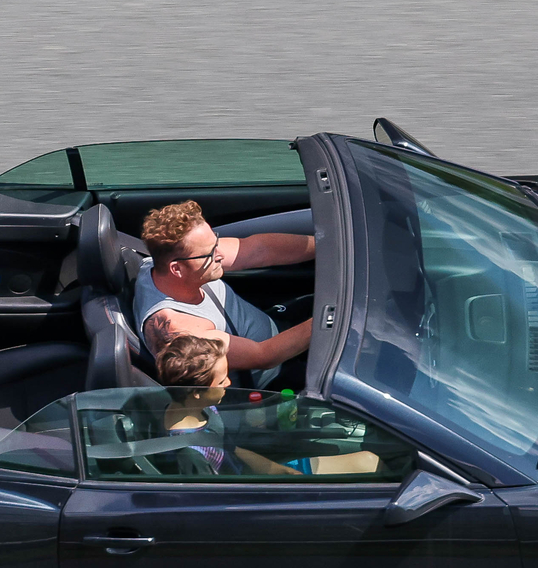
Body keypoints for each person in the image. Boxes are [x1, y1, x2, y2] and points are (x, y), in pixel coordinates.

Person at [132, 200, 314, 383]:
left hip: (275, 325)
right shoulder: (185, 332)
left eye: (216, 243)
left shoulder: (160, 264)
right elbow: (264, 355)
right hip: (276, 373)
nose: (220, 255)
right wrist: (332, 320)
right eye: (210, 253)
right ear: (177, 269)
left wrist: (327, 246)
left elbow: (259, 250)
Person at [152, 332, 378, 477]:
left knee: (369, 460)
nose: (229, 383)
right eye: (221, 381)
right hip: (255, 492)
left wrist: (279, 471)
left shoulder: (199, 410)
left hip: (259, 473)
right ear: (197, 393)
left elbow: (231, 448)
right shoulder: (190, 455)